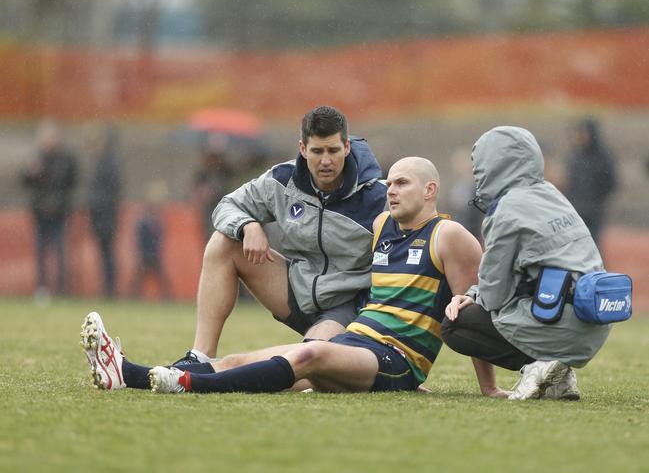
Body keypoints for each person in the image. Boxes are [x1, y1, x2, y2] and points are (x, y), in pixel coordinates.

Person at [81, 156, 500, 395]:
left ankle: (187, 385)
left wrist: (488, 389)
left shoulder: (451, 236)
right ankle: (127, 373)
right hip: (357, 339)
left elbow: (469, 318)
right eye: (388, 182)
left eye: (402, 183)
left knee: (307, 356)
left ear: (430, 191)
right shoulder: (381, 228)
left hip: (396, 357)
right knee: (245, 359)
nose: (390, 189)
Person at [172, 106, 388, 366]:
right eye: (317, 151)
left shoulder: (378, 197)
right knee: (223, 242)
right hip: (294, 291)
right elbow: (226, 206)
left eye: (333, 150)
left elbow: (416, 242)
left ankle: (221, 371)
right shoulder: (282, 180)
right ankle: (200, 356)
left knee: (309, 363)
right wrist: (248, 225)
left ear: (347, 147)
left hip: (344, 307)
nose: (326, 160)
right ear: (303, 148)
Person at [442, 126, 611, 401]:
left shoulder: (506, 209)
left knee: (455, 324)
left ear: (492, 164)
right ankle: (559, 376)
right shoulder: (553, 195)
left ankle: (538, 365)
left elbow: (494, 293)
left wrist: (470, 296)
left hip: (555, 320)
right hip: (594, 322)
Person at [21, 120, 78, 297]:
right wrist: (29, 172)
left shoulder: (66, 159)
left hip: (59, 213)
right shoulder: (36, 158)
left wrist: (58, 202)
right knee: (41, 253)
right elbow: (24, 182)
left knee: (60, 252)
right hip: (40, 213)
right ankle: (41, 288)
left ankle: (62, 289)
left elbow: (72, 183)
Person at [565, 117, 617, 248]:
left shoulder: (603, 156)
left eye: (583, 132)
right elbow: (570, 181)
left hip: (593, 212)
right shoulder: (576, 155)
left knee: (593, 246)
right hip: (575, 210)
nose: (580, 136)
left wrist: (595, 201)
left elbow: (610, 182)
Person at [87, 125, 122, 298]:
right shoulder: (105, 163)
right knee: (106, 254)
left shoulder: (107, 164)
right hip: (103, 216)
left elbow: (109, 192)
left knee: (107, 254)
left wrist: (95, 203)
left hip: (105, 216)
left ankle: (110, 289)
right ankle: (108, 288)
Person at [130, 180, 171, 300]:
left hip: (151, 254)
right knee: (142, 279)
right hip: (147, 255)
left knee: (157, 278)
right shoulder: (146, 221)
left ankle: (167, 297)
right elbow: (141, 239)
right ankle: (133, 297)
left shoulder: (151, 221)